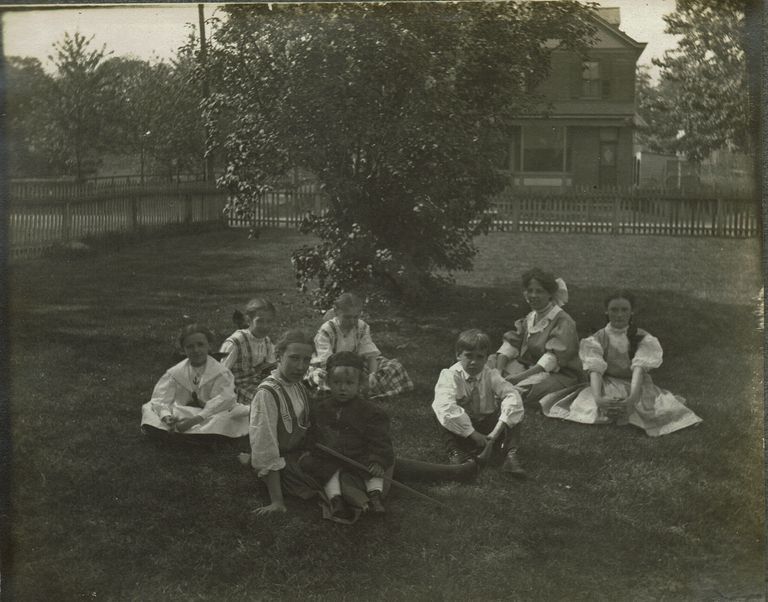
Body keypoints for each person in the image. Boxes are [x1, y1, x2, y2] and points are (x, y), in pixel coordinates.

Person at [540, 291, 703, 436]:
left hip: (637, 384)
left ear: (632, 311)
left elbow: (638, 370)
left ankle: (630, 410)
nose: (619, 315)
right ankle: (609, 408)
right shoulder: (598, 338)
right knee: (597, 402)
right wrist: (598, 397)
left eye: (624, 310)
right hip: (608, 382)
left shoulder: (642, 338)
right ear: (606, 311)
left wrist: (632, 398)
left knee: (654, 407)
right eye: (614, 310)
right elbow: (595, 371)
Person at [299, 351, 395, 516]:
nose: (343, 388)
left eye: (349, 383)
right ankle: (335, 499)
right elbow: (314, 433)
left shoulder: (371, 412)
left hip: (359, 455)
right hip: (332, 456)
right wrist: (310, 448)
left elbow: (380, 439)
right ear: (328, 382)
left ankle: (375, 496)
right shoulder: (321, 409)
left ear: (360, 384)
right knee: (326, 471)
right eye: (337, 382)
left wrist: (377, 460)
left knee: (373, 470)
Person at [432, 329, 526, 477]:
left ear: (487, 358)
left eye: (480, 357)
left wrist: (494, 434)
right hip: (462, 430)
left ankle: (510, 455)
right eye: (468, 356)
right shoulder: (450, 375)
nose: (474, 362)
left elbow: (511, 395)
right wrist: (473, 434)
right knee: (440, 409)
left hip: (488, 426)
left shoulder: (491, 374)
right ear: (458, 355)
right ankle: (456, 452)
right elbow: (446, 406)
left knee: (514, 405)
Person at [141, 324, 249, 440]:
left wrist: (195, 420)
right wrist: (166, 416)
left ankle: (184, 435)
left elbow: (223, 400)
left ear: (209, 346)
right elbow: (161, 398)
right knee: (149, 408)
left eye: (200, 345)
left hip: (210, 413)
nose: (196, 350)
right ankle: (192, 436)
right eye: (190, 347)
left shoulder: (221, 372)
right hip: (185, 411)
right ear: (183, 350)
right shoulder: (175, 372)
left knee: (227, 417)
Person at [493, 268, 581, 405]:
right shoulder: (531, 317)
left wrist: (518, 377)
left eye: (539, 291)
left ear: (550, 294)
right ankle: (496, 386)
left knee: (530, 386)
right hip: (530, 366)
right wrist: (498, 371)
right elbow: (513, 343)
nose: (533, 295)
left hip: (558, 373)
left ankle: (502, 393)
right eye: (530, 290)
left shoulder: (563, 321)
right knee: (493, 361)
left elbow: (552, 359)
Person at [309, 292, 413, 399]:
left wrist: (372, 375)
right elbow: (326, 362)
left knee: (394, 366)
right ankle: (353, 389)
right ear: (336, 312)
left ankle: (359, 388)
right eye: (347, 317)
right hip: (331, 368)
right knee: (320, 377)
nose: (352, 321)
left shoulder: (361, 327)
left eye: (355, 317)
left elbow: (370, 355)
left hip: (356, 365)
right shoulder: (327, 330)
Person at [219, 298, 277, 406]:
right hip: (237, 388)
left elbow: (270, 364)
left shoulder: (266, 341)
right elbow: (220, 373)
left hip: (257, 383)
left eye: (269, 321)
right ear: (248, 320)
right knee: (266, 403)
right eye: (260, 321)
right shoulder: (236, 342)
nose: (265, 326)